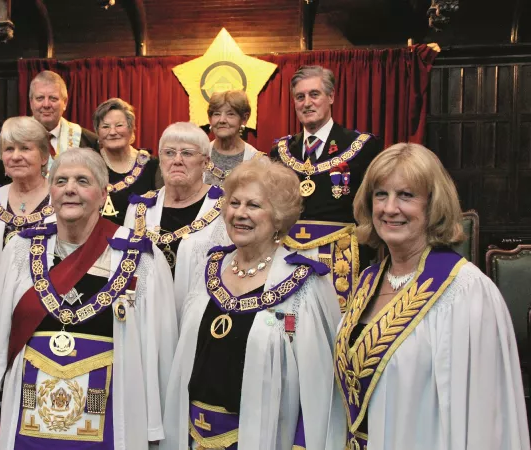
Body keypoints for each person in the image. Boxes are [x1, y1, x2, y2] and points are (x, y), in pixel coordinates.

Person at [335, 143, 530, 450]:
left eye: (406, 195)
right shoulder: (368, 281)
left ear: (433, 205)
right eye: (381, 194)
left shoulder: (466, 292)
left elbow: (484, 420)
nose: (389, 208)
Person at [0, 148, 177, 450]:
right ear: (50, 192)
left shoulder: (140, 258)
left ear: (102, 195)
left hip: (110, 417)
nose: (70, 189)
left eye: (82, 181)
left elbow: (161, 352)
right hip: (29, 418)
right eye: (61, 181)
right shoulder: (19, 251)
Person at [162, 158, 343, 450]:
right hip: (192, 436)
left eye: (254, 205)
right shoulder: (209, 267)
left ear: (279, 217)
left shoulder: (304, 284)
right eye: (234, 203)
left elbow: (318, 389)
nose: (240, 214)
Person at [270, 65, 383, 313]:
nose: (307, 103)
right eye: (300, 97)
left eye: (314, 94)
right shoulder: (280, 152)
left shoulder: (362, 146)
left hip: (343, 260)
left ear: (331, 97)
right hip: (288, 256)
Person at [124, 122, 230, 318]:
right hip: (147, 321)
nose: (177, 160)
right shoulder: (139, 208)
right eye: (169, 153)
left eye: (188, 153)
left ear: (205, 163)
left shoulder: (226, 210)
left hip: (201, 321)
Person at [0, 116, 54, 282]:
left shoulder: (62, 200)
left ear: (44, 157)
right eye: (9, 149)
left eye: (25, 148)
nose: (16, 156)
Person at [93, 98, 162, 224]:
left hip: (142, 239)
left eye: (119, 125)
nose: (113, 132)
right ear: (97, 132)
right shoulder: (90, 164)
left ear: (131, 128)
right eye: (105, 126)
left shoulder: (152, 165)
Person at [29, 71, 98, 160]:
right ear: (31, 103)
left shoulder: (88, 141)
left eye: (53, 98)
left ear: (65, 102)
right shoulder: (14, 138)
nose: (46, 105)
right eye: (40, 98)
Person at [204, 90, 264, 186]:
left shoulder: (258, 162)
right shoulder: (199, 155)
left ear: (244, 119)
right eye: (217, 114)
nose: (222, 120)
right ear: (210, 119)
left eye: (230, 114)